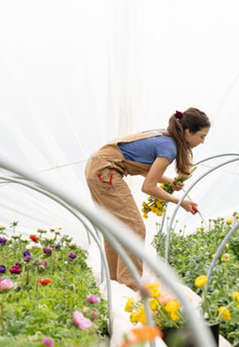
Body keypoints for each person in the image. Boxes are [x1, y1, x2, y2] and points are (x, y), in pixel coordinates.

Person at [85, 107, 210, 289]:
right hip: (105, 171)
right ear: (188, 131)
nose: (203, 141)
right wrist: (180, 202)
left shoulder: (164, 136)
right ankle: (129, 286)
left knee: (115, 228)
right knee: (135, 228)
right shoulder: (169, 147)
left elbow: (147, 171)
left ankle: (114, 286)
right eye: (202, 136)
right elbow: (148, 187)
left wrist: (169, 181)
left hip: (98, 167)